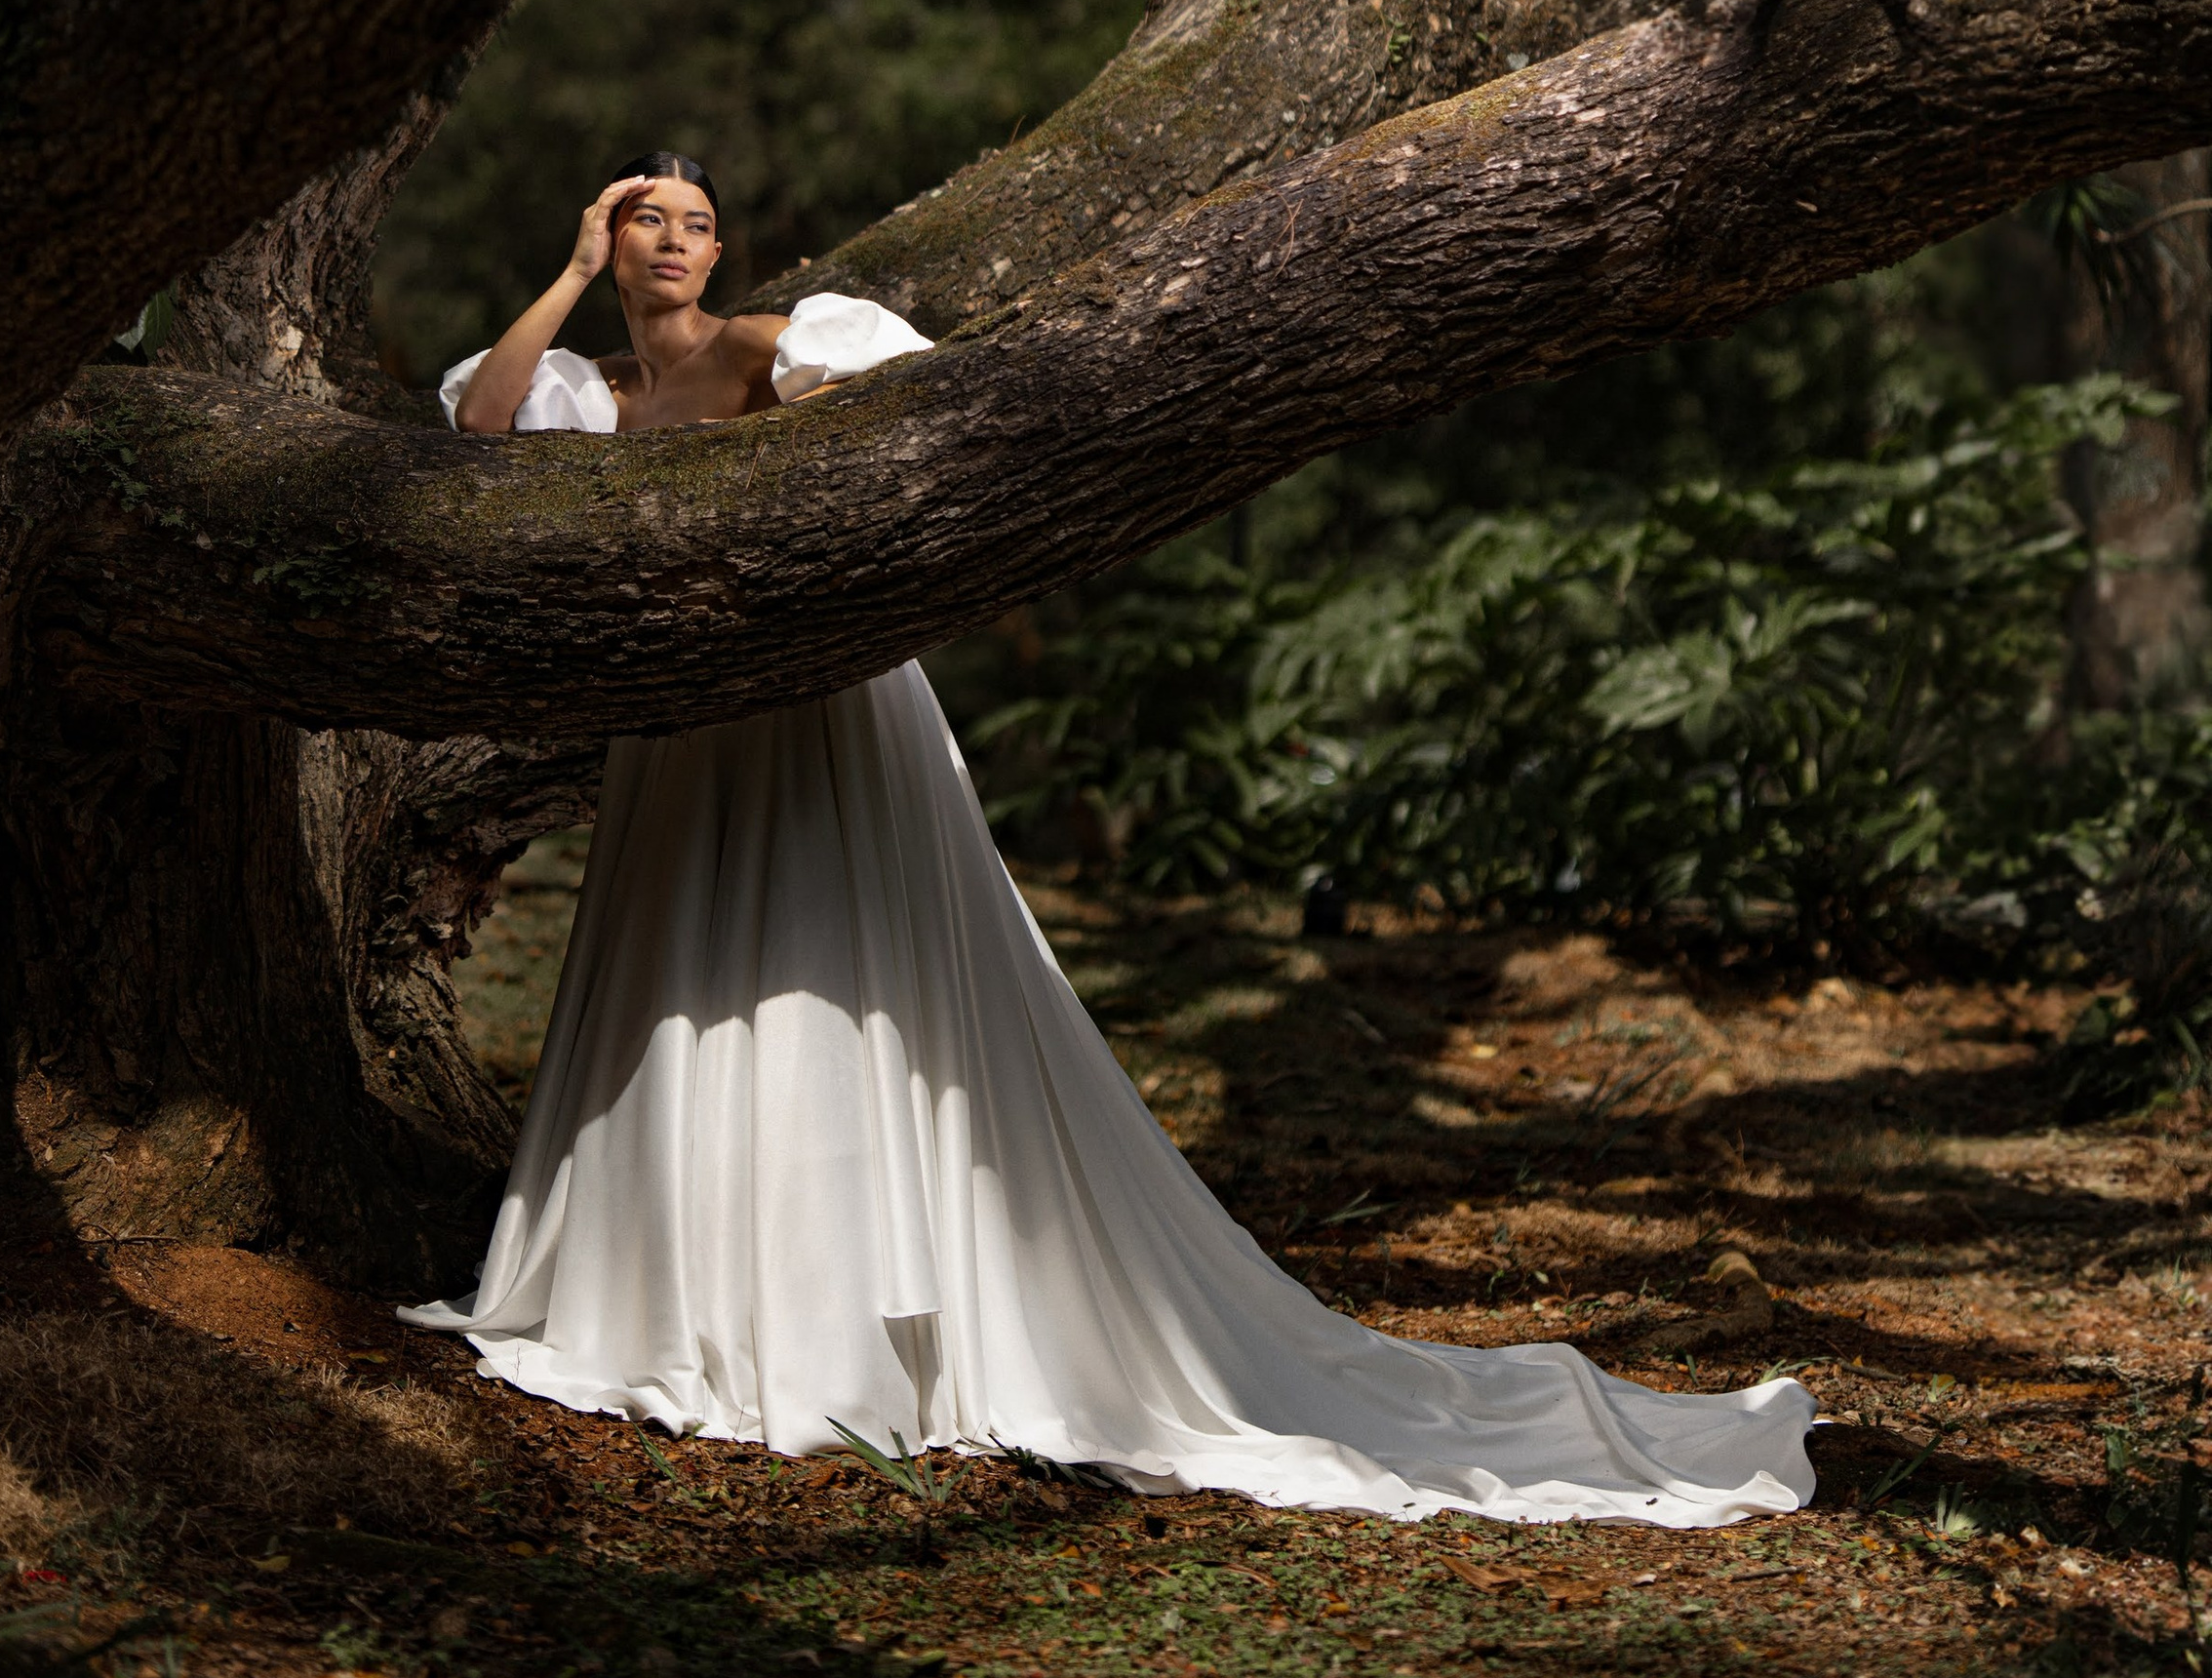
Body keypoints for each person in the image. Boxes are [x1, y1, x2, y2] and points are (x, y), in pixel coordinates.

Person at [405, 154, 1815, 1526]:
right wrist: (570, 272)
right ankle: (676, 1283)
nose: (670, 239)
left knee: (823, 961)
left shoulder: (780, 345)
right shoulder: (605, 393)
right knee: (682, 974)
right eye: (644, 218)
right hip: (680, 728)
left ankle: (842, 1323)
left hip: (823, 699)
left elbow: (919, 402)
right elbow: (479, 430)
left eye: (693, 222)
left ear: (723, 249)